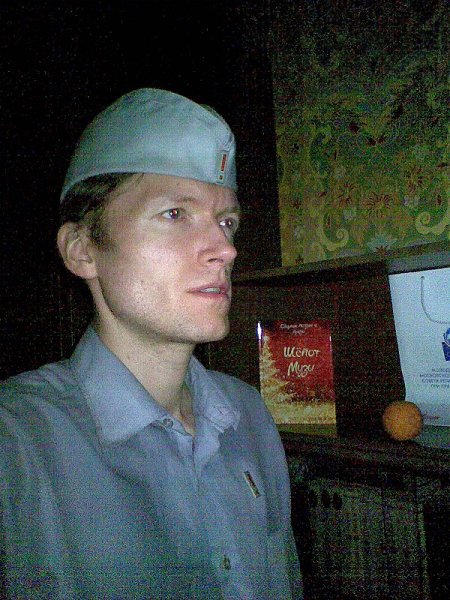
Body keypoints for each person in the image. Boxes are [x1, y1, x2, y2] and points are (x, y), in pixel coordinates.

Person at [0, 88, 303, 599]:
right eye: (175, 214)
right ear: (82, 249)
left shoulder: (250, 414)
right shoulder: (17, 442)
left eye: (226, 221)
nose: (226, 249)